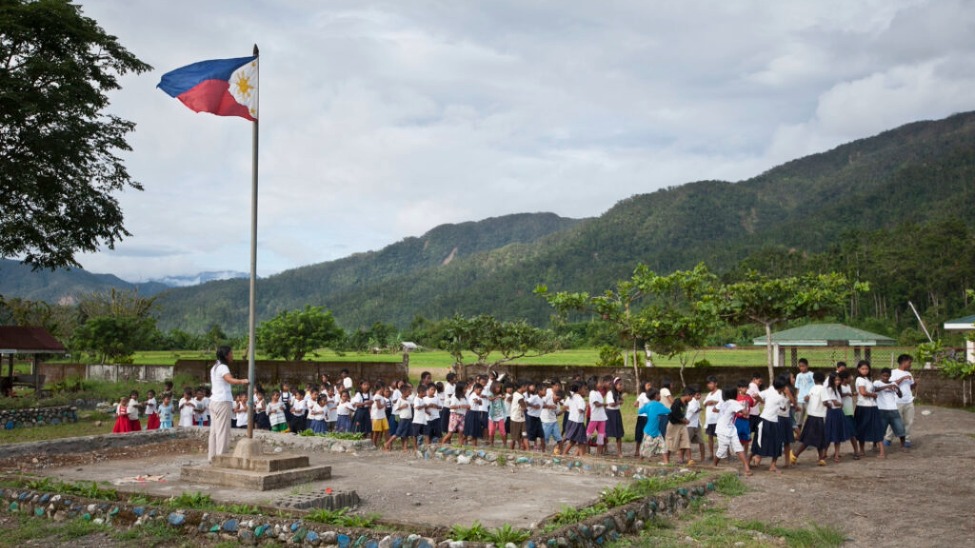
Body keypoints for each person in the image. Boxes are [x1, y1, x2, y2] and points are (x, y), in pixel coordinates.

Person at [208, 346, 249, 462]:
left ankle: (212, 457)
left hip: (214, 401)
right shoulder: (223, 367)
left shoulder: (215, 367)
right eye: (231, 353)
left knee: (214, 431)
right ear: (226, 355)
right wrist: (243, 381)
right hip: (222, 402)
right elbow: (229, 379)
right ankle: (220, 458)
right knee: (222, 431)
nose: (232, 356)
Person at [712, 386, 752, 476]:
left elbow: (714, 409)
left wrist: (726, 411)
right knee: (723, 450)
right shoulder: (734, 403)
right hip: (723, 430)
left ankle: (747, 467)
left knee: (738, 448)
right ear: (733, 394)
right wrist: (742, 410)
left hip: (728, 428)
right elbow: (745, 412)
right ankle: (714, 465)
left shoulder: (722, 402)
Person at [791, 371, 828, 466]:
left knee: (820, 437)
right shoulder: (823, 389)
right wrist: (830, 405)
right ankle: (795, 455)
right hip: (819, 416)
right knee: (810, 438)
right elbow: (825, 402)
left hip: (811, 415)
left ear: (814, 380)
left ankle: (821, 458)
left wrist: (807, 398)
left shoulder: (813, 388)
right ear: (824, 380)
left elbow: (807, 398)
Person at [750, 378, 787, 473]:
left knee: (759, 440)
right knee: (776, 443)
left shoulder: (769, 391)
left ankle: (751, 460)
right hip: (771, 421)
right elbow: (783, 408)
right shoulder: (781, 398)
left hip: (764, 419)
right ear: (782, 388)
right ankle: (771, 464)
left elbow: (755, 395)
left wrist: (761, 401)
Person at [853, 360, 885, 458]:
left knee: (875, 427)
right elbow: (863, 392)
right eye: (862, 369)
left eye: (866, 369)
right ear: (859, 369)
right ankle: (862, 450)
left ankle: (881, 452)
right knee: (862, 428)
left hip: (871, 406)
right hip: (863, 406)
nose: (865, 370)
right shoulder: (860, 379)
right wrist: (873, 395)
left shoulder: (868, 379)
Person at [885, 354, 916, 448]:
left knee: (908, 421)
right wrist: (902, 378)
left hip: (908, 400)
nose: (910, 364)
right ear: (903, 362)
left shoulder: (909, 374)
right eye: (909, 362)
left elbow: (910, 387)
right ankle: (888, 438)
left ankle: (906, 439)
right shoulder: (893, 372)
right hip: (897, 400)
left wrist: (915, 384)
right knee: (894, 420)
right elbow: (891, 385)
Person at [874, 368, 907, 453]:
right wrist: (887, 386)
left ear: (890, 376)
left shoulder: (893, 383)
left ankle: (902, 445)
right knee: (880, 429)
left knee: (900, 428)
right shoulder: (877, 382)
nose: (885, 377)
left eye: (887, 376)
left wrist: (897, 389)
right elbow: (874, 390)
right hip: (881, 409)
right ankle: (875, 445)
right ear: (881, 375)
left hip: (893, 409)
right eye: (884, 376)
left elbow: (900, 395)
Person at [823, 372, 853, 462]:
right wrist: (841, 404)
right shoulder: (830, 389)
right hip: (834, 412)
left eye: (838, 380)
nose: (837, 382)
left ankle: (835, 454)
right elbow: (835, 402)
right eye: (835, 380)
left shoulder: (835, 389)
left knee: (837, 435)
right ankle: (825, 453)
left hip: (837, 412)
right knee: (830, 434)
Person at [637, 388, 671, 462]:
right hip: (652, 431)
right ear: (656, 395)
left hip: (650, 430)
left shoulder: (648, 405)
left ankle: (666, 461)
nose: (660, 396)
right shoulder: (659, 405)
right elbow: (669, 411)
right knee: (662, 446)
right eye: (659, 395)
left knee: (647, 446)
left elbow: (639, 411)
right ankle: (665, 461)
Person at [666, 387, 695, 465]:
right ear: (688, 395)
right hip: (674, 425)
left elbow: (682, 414)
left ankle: (689, 459)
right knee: (670, 443)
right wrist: (683, 420)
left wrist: (685, 420)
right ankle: (667, 460)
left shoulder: (686, 403)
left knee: (686, 441)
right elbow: (675, 414)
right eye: (692, 397)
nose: (692, 399)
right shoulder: (677, 402)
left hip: (682, 425)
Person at [385, 383, 416, 452]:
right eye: (409, 391)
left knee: (406, 434)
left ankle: (405, 448)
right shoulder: (399, 399)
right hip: (403, 419)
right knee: (397, 433)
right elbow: (396, 408)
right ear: (404, 392)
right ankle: (387, 443)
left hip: (408, 419)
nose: (410, 392)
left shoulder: (408, 400)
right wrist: (402, 407)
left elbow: (412, 405)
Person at [563, 382, 590, 457]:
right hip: (578, 422)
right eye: (584, 389)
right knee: (579, 440)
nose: (585, 390)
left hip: (571, 420)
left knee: (576, 440)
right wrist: (585, 407)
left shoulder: (571, 397)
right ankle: (567, 453)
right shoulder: (580, 399)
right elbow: (580, 410)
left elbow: (565, 406)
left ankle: (579, 455)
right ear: (579, 389)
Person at [587, 378, 608, 456]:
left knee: (601, 435)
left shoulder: (598, 393)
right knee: (588, 434)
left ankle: (598, 453)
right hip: (595, 417)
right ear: (595, 384)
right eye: (600, 383)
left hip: (602, 417)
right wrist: (605, 404)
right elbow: (597, 404)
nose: (602, 384)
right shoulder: (592, 393)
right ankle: (582, 449)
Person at [604, 377, 625, 458]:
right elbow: (611, 404)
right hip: (609, 413)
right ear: (615, 385)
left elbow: (618, 403)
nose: (621, 386)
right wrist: (619, 402)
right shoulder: (610, 393)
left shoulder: (618, 393)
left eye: (622, 384)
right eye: (620, 384)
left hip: (616, 413)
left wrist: (620, 401)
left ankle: (619, 452)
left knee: (618, 433)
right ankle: (603, 448)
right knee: (606, 432)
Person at [702, 376, 721, 460]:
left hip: (718, 418)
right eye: (708, 383)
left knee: (721, 436)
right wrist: (707, 403)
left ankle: (725, 453)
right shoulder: (709, 394)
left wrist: (713, 401)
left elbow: (723, 401)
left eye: (711, 383)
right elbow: (704, 403)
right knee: (710, 436)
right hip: (709, 420)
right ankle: (711, 454)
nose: (709, 385)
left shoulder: (720, 392)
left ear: (716, 383)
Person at [685, 385, 706, 463]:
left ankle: (703, 458)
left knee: (701, 441)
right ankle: (688, 458)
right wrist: (700, 409)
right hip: (689, 424)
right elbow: (694, 410)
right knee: (687, 443)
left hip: (696, 423)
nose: (699, 396)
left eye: (700, 394)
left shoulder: (697, 401)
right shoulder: (691, 401)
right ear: (693, 395)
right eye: (697, 395)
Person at [541, 387, 564, 456]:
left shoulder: (558, 404)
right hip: (546, 422)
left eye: (559, 399)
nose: (558, 400)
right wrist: (550, 406)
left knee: (559, 438)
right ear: (554, 395)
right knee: (545, 438)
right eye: (557, 398)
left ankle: (561, 452)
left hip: (554, 422)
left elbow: (557, 413)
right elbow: (541, 405)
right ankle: (542, 452)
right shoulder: (548, 398)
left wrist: (563, 410)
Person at [633, 381, 652, 457]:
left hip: (644, 416)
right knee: (641, 434)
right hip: (644, 417)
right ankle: (638, 451)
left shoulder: (643, 395)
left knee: (643, 434)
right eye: (648, 385)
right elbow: (635, 404)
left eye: (650, 385)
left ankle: (640, 451)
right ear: (644, 387)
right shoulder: (644, 395)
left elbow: (635, 404)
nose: (650, 386)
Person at [794, 358, 814, 429]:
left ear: (807, 366)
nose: (801, 368)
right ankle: (799, 432)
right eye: (800, 366)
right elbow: (797, 388)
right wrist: (796, 398)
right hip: (800, 399)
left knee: (810, 417)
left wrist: (809, 395)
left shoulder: (811, 375)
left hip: (809, 399)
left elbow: (815, 387)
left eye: (803, 366)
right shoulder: (798, 375)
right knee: (799, 418)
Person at [509, 381, 529, 450]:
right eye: (526, 387)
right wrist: (526, 405)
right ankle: (526, 450)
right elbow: (524, 408)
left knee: (522, 436)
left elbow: (509, 399)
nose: (527, 388)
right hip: (516, 419)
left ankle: (527, 450)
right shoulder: (520, 397)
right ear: (522, 387)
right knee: (515, 438)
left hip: (520, 418)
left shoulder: (515, 393)